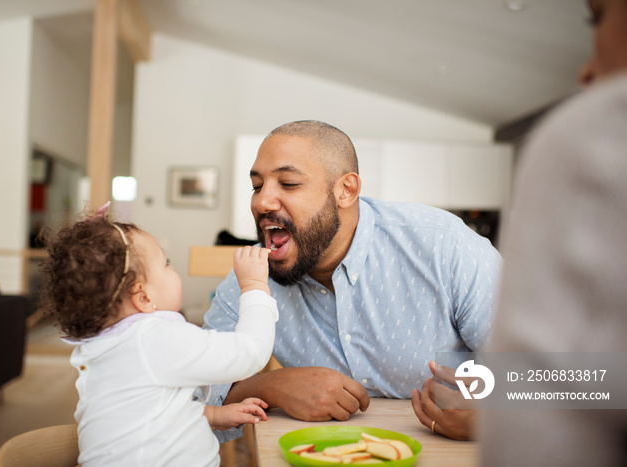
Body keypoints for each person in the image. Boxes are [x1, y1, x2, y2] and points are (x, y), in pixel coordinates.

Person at [202, 120, 502, 442]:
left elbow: (550, 375)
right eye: (257, 186)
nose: (261, 202)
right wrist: (270, 385)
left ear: (346, 190)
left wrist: (491, 420)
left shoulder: (445, 247)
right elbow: (192, 393)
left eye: (288, 183)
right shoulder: (251, 279)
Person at [479, 0, 627, 465]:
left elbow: (542, 412)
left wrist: (491, 395)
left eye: (596, 17)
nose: (583, 72)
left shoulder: (594, 136)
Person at [39, 210, 278, 466]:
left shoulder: (101, 347)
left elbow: (147, 412)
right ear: (143, 297)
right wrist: (254, 285)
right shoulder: (154, 339)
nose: (172, 269)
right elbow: (249, 353)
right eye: (166, 263)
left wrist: (213, 416)